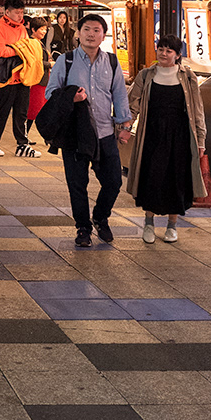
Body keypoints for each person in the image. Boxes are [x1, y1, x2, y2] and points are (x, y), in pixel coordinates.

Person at [44, 13, 132, 247]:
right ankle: (83, 228)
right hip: (75, 133)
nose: (91, 34)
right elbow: (50, 92)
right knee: (77, 184)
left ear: (103, 36)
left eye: (96, 30)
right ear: (78, 34)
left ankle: (101, 217)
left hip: (104, 132)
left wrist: (125, 125)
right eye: (86, 30)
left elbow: (119, 94)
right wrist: (70, 98)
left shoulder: (112, 62)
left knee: (113, 181)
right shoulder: (66, 61)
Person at [127, 34, 207, 244]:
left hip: (180, 137)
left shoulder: (188, 77)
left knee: (177, 179)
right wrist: (125, 127)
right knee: (151, 178)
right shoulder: (146, 75)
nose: (163, 53)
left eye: (169, 51)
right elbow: (132, 104)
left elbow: (197, 111)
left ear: (178, 55)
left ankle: (172, 226)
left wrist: (200, 141)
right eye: (160, 49)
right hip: (151, 134)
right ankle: (148, 223)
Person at [0, 0, 40, 158]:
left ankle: (22, 144)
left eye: (22, 12)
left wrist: (18, 49)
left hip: (23, 76)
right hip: (6, 79)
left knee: (21, 112)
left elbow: (27, 48)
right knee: (2, 112)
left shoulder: (22, 28)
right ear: (7, 12)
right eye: (17, 12)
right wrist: (20, 49)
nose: (20, 16)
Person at [25, 18, 52, 133]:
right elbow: (35, 62)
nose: (44, 32)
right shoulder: (32, 42)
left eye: (45, 29)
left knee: (38, 110)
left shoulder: (39, 42)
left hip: (42, 79)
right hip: (37, 81)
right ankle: (23, 137)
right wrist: (50, 64)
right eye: (41, 29)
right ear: (33, 29)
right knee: (33, 110)